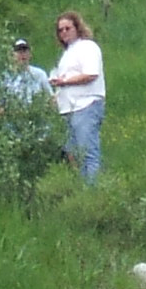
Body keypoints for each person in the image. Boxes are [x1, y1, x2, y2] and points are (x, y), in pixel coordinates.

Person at [48, 11, 106, 183]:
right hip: (69, 109)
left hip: (86, 105)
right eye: (60, 30)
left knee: (88, 152)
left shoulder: (87, 47)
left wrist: (64, 82)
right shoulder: (67, 54)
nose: (64, 32)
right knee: (73, 154)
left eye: (68, 28)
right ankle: (82, 187)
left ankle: (93, 189)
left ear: (77, 28)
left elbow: (91, 74)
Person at [2, 38, 52, 103]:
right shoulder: (6, 77)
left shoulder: (40, 74)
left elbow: (50, 97)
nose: (23, 54)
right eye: (19, 52)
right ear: (12, 55)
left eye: (25, 51)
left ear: (30, 54)